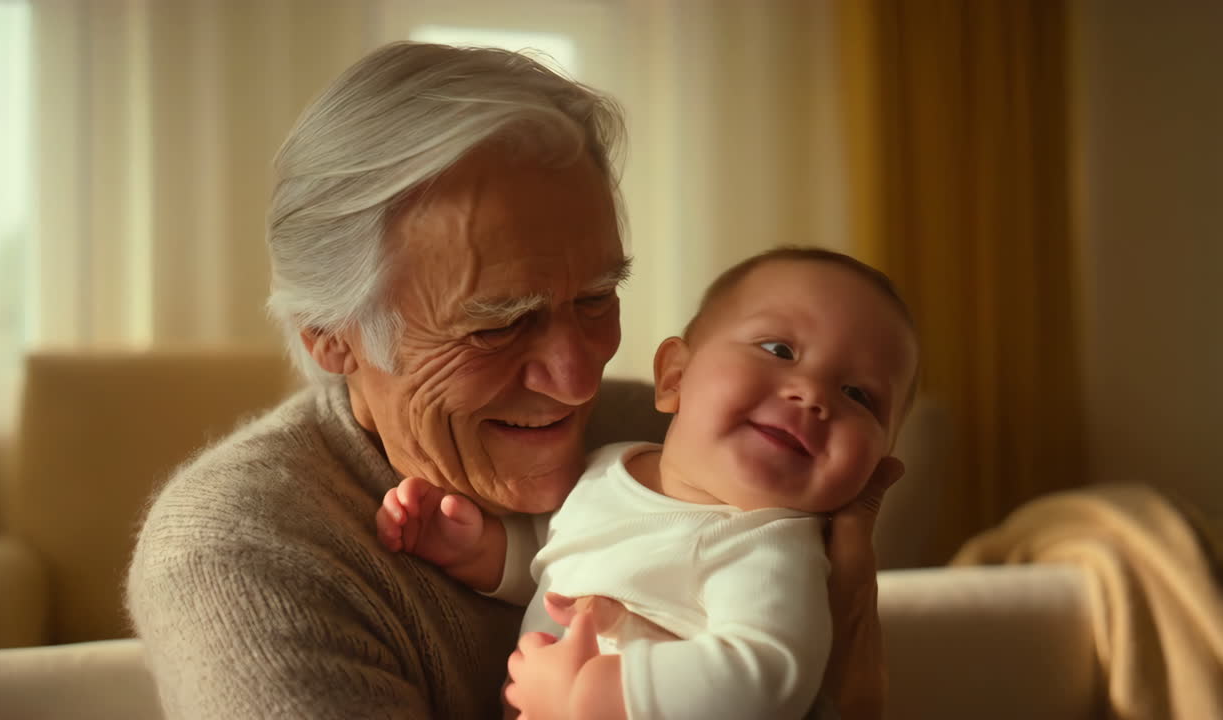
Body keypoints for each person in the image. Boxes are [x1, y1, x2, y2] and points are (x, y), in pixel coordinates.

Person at [127, 41, 900, 719]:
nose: (576, 381)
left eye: (596, 299)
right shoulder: (241, 555)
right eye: (496, 325)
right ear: (333, 338)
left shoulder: (680, 443)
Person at [376, 247, 919, 719]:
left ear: (877, 463)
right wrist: (481, 550)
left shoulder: (772, 546)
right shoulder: (609, 466)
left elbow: (767, 675)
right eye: (780, 350)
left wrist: (597, 695)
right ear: (675, 377)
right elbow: (559, 556)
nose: (813, 394)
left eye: (859, 395)